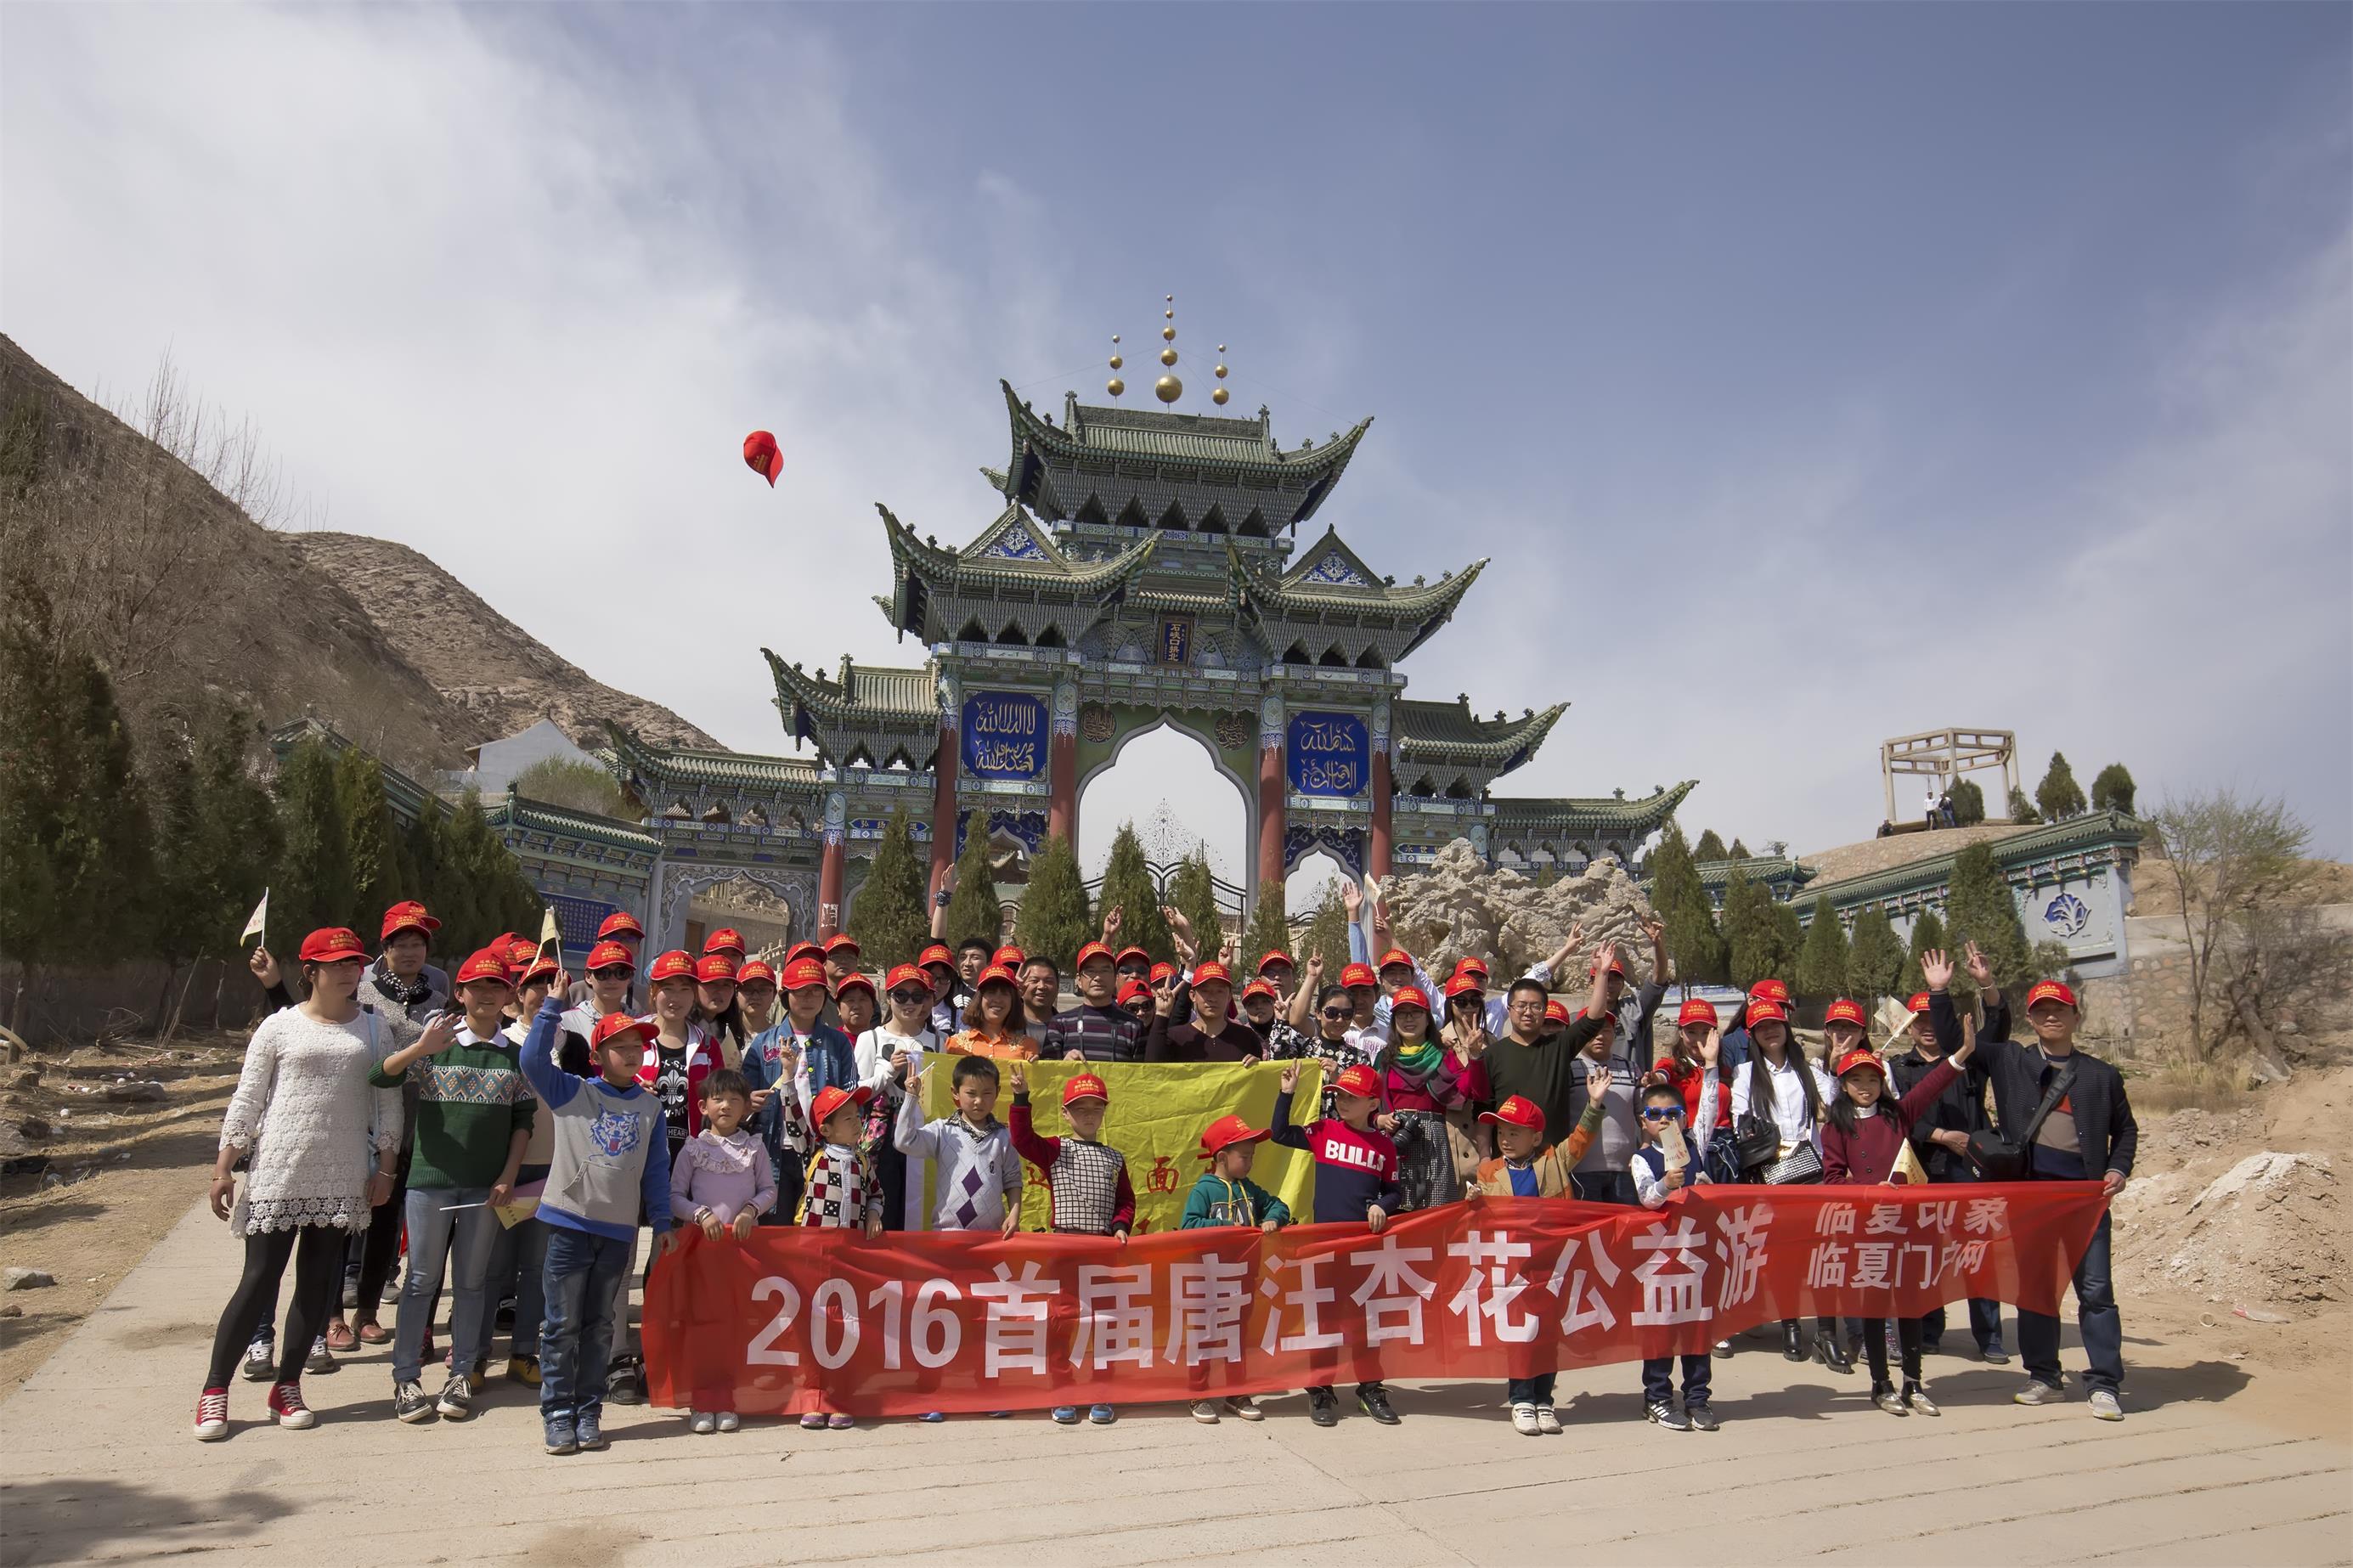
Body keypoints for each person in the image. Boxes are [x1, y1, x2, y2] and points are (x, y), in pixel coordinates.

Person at [195, 928, 403, 1441]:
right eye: (335, 964)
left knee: (316, 1282)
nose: (348, 972)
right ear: (309, 971)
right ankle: (214, 1392)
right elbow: (248, 1098)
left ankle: (287, 1385)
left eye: (354, 962)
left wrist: (386, 1169)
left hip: (343, 1172)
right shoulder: (277, 1027)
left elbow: (387, 1104)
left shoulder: (375, 1031)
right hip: (279, 1170)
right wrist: (224, 1166)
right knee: (259, 1279)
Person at [1961, 944, 2135, 1421]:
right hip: (2033, 1200)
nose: (2051, 1017)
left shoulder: (2102, 1076)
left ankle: (2104, 1384)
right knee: (2037, 1291)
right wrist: (1979, 985)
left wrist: (2118, 1169)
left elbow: (2127, 1131)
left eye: (2059, 1009)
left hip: (2086, 1200)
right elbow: (1978, 1043)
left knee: (2096, 1291)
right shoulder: (2013, 1061)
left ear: (2075, 1016)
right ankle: (2043, 1376)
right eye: (2042, 1011)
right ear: (2033, 1020)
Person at [374, 946, 534, 1425]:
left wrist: (508, 1176)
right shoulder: (438, 1042)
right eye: (476, 987)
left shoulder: (515, 1055)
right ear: (459, 993)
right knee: (421, 1281)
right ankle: (405, 1378)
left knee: (472, 1283)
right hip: (430, 1184)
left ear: (508, 995)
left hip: (486, 1188)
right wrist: (420, 1048)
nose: (486, 995)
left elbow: (523, 1121)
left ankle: (461, 1373)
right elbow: (379, 1077)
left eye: (496, 987)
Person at [517, 989, 676, 1457]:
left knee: (600, 1327)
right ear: (597, 1055)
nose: (631, 1054)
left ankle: (589, 1411)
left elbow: (655, 1169)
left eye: (637, 1047)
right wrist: (549, 1009)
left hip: (618, 1232)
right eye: (620, 1047)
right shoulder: (573, 1091)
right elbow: (532, 1062)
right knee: (562, 1323)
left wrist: (662, 1220)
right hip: (569, 1225)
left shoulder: (650, 1109)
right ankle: (557, 1413)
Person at [1820, 981, 1974, 1419]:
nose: (1866, 1086)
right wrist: (1868, 1191)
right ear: (1845, 1085)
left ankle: (1913, 1382)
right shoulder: (1836, 1127)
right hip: (1866, 1226)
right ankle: (1881, 1385)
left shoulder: (1898, 1114)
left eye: (1872, 1078)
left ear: (1882, 1082)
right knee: (1871, 1308)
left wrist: (1961, 1053)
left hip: (1906, 1224)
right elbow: (1832, 1180)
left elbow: (1935, 1083)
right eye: (1857, 1080)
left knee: (1909, 1304)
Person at [1269, 1062, 1402, 1427]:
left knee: (1364, 1321)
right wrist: (1287, 1092)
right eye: (1338, 1095)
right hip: (1323, 1246)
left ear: (1373, 1103)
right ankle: (1321, 1389)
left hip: (1362, 1248)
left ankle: (1370, 1389)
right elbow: (1279, 1133)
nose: (1343, 1101)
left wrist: (1381, 1205)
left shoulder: (1383, 1146)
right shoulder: (1323, 1131)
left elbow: (1395, 1192)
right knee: (1323, 1320)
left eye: (1352, 1097)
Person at [1886, 985, 2008, 1363]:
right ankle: (1929, 1331)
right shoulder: (1898, 1069)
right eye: (1919, 1020)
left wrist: (1987, 987)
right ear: (1908, 1027)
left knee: (1978, 1255)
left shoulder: (1970, 1059)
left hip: (1970, 1171)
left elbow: (1999, 1027)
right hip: (1922, 1170)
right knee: (1928, 1257)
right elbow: (1895, 1117)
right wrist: (1938, 1135)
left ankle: (1989, 1337)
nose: (1928, 1027)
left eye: (1933, 1019)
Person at [1007, 1064, 1132, 1426]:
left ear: (1105, 1111)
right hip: (1064, 1245)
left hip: (1103, 1250)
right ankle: (1061, 1387)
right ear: (1066, 1113)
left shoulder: (1114, 1158)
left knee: (1103, 1322)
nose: (1089, 1116)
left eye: (1096, 1109)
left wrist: (1121, 1225)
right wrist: (1020, 1098)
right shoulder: (1056, 1149)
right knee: (1062, 1320)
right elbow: (1022, 1140)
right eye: (1081, 1109)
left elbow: (1126, 1199)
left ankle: (1101, 1389)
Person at [488, 955, 590, 1390]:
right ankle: (471, 1352)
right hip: (504, 1168)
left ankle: (523, 1349)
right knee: (491, 1267)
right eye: (535, 984)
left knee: (535, 1267)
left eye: (554, 983)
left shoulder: (575, 1044)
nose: (544, 991)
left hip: (556, 1166)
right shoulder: (502, 1040)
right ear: (518, 993)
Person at [1729, 996, 1845, 1368]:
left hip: (1812, 1172)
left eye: (1775, 1023)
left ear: (1786, 1026)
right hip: (1773, 1176)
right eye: (1762, 1027)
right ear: (1753, 1034)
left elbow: (1835, 1103)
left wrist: (1835, 1066)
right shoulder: (1746, 1073)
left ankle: (1827, 1332)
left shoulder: (1808, 1069)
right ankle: (1791, 1324)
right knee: (1784, 1256)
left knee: (1820, 1253)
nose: (1770, 1031)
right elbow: (1739, 1120)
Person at [669, 1067, 776, 1435]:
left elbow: (769, 1190)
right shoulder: (693, 1149)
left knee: (737, 1322)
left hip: (742, 1253)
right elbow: (674, 1198)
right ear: (703, 1106)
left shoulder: (755, 1147)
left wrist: (751, 1210)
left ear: (747, 1107)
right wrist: (700, 1215)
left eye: (735, 1099)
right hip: (702, 1253)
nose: (727, 1105)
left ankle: (729, 1397)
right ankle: (702, 1399)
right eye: (718, 1099)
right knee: (702, 1324)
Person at [1180, 1114, 1289, 1425]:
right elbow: (1189, 1224)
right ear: (1222, 1157)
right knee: (1203, 1336)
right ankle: (1198, 1393)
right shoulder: (1204, 1190)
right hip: (1208, 1278)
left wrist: (1274, 1218)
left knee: (1236, 1336)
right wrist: (1231, 1227)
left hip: (1242, 1277)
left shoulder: (1251, 1190)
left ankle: (1236, 1391)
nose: (1251, 1162)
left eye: (1252, 1156)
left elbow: (1279, 1205)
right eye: (1245, 1156)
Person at [1630, 1080, 1719, 1432]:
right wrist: (1667, 1183)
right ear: (1644, 1121)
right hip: (1660, 1259)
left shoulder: (1696, 1149)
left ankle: (1698, 1397)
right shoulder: (1643, 1157)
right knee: (1661, 1329)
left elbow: (1708, 1192)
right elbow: (1646, 1198)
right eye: (1655, 1114)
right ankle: (1658, 1397)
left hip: (1695, 1254)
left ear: (1684, 1118)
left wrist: (1707, 1188)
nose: (1664, 1121)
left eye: (1672, 1114)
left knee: (1698, 1328)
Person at [742, 956, 854, 1225]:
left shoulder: (837, 1042)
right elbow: (744, 1093)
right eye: (800, 990)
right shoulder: (764, 1043)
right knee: (774, 1229)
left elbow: (849, 1092)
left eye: (816, 990)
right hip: (773, 1151)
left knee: (817, 1228)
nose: (809, 997)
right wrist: (749, 1103)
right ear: (784, 994)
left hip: (822, 1152)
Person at [1371, 985, 1471, 1212]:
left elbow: (1467, 1092)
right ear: (1394, 1019)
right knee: (1394, 1211)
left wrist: (1474, 1058)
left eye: (1416, 1012)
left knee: (1435, 1216)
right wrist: (1379, 1119)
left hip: (1433, 1142)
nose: (1409, 1019)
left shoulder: (1444, 1055)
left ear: (1428, 1019)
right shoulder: (1384, 1058)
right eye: (1402, 1013)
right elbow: (1367, 1102)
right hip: (1394, 1140)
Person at [1042, 941, 1144, 1063]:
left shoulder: (1133, 1026)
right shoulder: (1060, 1024)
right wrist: (1064, 1067)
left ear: (1115, 978)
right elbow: (1048, 1076)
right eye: (1090, 971)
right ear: (1079, 980)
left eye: (1105, 971)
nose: (1098, 977)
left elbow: (1142, 1077)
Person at [1145, 960, 1261, 1062]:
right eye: (1205, 991)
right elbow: (1152, 1069)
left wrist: (1257, 1068)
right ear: (1193, 996)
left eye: (1219, 991)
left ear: (1229, 997)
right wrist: (1162, 1013)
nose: (1212, 998)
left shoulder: (1247, 1038)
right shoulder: (1175, 1037)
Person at [945, 964, 1037, 1060]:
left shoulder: (1028, 1046)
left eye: (1004, 993)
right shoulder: (954, 1043)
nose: (997, 999)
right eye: (991, 992)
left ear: (1013, 1001)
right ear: (979, 999)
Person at [567, 911, 644, 1012]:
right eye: (614, 937)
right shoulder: (574, 992)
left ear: (638, 948)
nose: (622, 943)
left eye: (630, 938)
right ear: (598, 945)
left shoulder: (646, 997)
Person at [1017, 956, 1062, 1050]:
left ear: (1058, 987)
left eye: (1049, 981)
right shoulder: (1005, 1024)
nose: (1041, 986)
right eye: (1034, 981)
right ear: (1021, 985)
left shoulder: (1068, 1027)